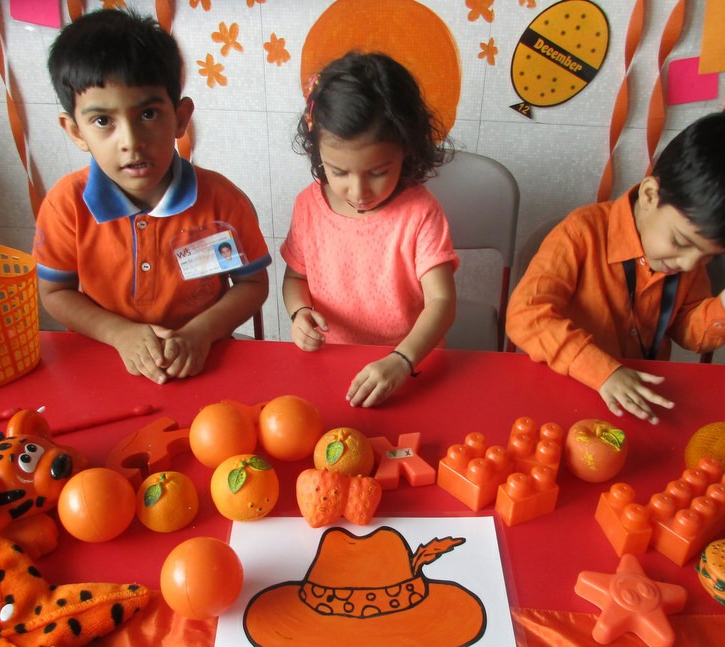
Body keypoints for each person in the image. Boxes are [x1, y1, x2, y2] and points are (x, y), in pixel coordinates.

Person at [34, 9, 269, 384]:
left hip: (206, 364)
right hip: (103, 367)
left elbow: (253, 285)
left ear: (179, 117)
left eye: (147, 114)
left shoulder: (223, 200)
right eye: (102, 121)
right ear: (75, 130)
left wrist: (200, 333)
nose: (130, 142)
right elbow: (55, 292)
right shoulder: (66, 205)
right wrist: (119, 334)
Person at [505, 108, 725, 423]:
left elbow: (688, 332)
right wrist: (602, 371)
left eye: (708, 257)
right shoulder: (580, 233)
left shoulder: (688, 259)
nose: (689, 263)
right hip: (561, 389)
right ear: (651, 194)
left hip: (634, 399)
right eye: (681, 242)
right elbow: (524, 317)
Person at [281, 52, 458, 408]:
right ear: (318, 154)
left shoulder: (420, 213)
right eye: (339, 172)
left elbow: (442, 301)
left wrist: (401, 360)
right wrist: (299, 313)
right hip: (333, 366)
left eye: (378, 172)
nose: (358, 191)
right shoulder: (308, 206)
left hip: (410, 367)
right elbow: (295, 279)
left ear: (406, 151)